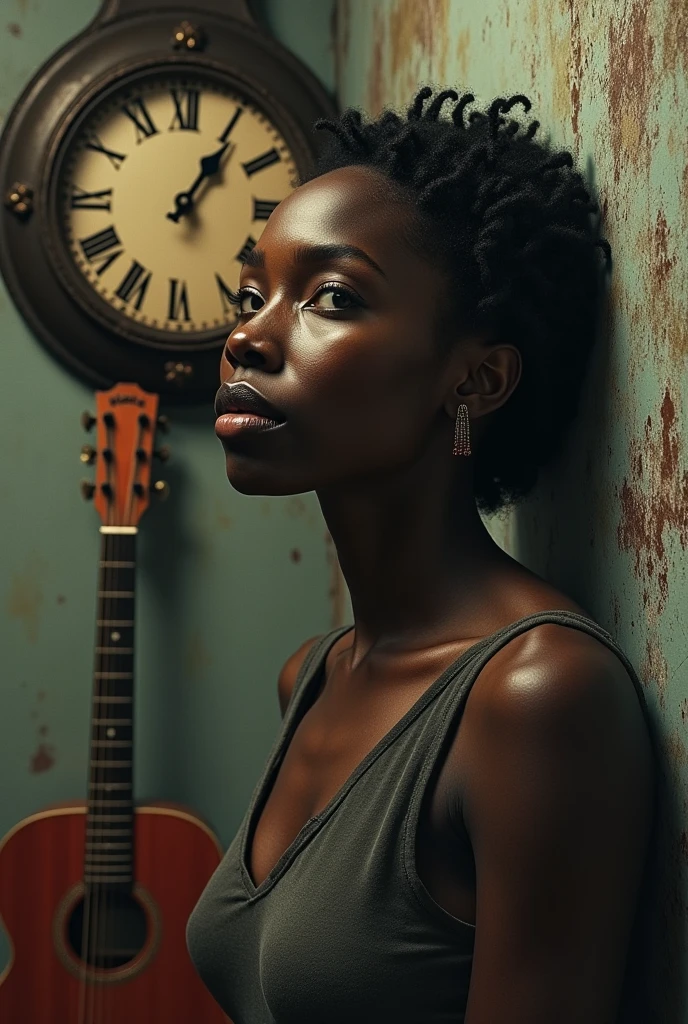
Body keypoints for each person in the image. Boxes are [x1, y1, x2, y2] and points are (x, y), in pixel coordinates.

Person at [187, 87, 654, 1023]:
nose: (247, 335)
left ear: (475, 378)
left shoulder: (535, 694)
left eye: (332, 297)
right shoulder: (309, 678)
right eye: (251, 293)